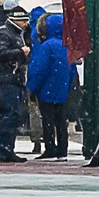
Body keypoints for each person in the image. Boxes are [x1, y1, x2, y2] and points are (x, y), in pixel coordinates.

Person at [27, 14, 77, 159]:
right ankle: (62, 150)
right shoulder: (66, 46)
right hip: (62, 90)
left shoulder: (47, 46)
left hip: (46, 90)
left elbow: (39, 70)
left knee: (47, 120)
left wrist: (33, 87)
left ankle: (50, 148)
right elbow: (72, 70)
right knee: (61, 121)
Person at [0, 4, 30, 161]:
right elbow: (1, 53)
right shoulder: (5, 32)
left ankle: (4, 148)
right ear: (16, 21)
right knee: (12, 113)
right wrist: (21, 52)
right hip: (7, 79)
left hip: (10, 78)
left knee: (9, 114)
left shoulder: (13, 33)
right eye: (24, 21)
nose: (26, 24)